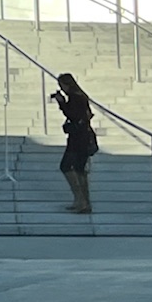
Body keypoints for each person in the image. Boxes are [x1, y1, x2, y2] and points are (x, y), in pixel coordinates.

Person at [50, 73, 97, 214]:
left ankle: (81, 200)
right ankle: (83, 201)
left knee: (67, 166)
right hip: (82, 136)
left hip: (78, 138)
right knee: (79, 169)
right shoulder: (80, 96)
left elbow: (73, 115)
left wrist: (61, 102)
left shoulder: (76, 97)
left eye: (62, 85)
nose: (62, 88)